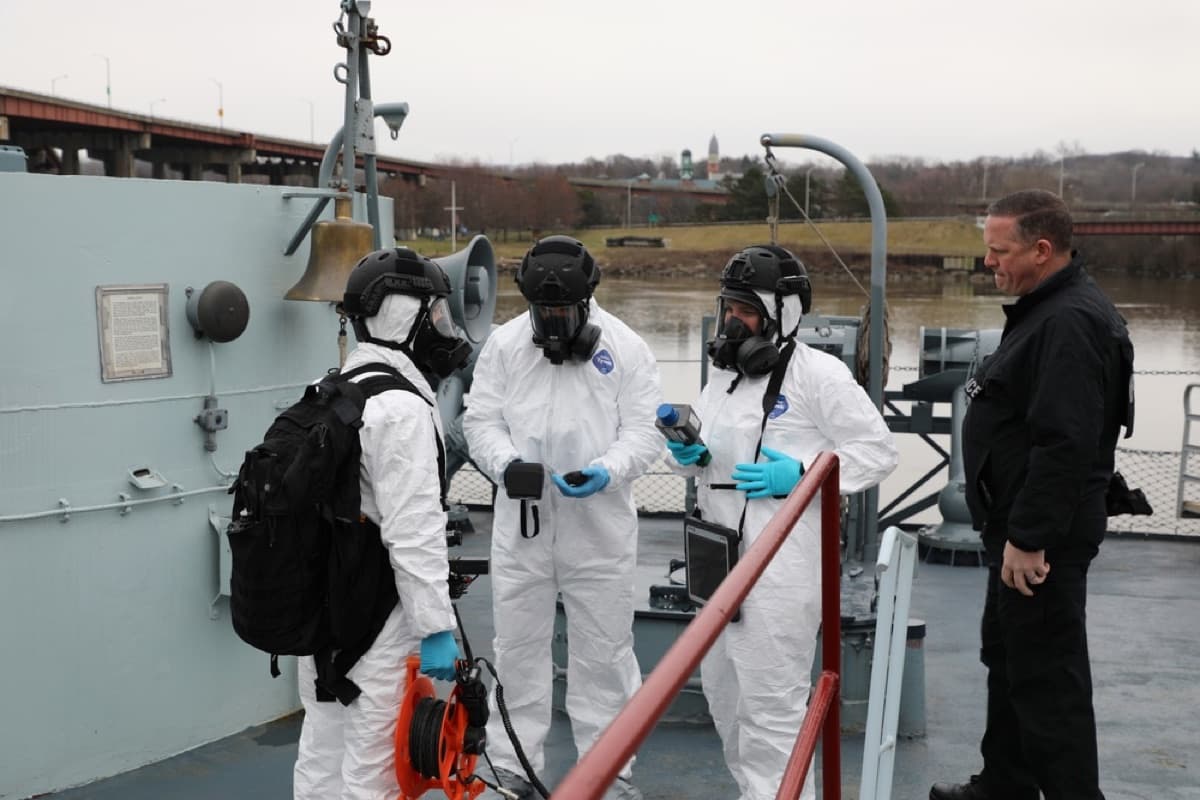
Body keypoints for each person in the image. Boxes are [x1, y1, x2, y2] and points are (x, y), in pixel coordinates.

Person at [665, 244, 898, 800]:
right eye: (728, 306)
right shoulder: (724, 378)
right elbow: (719, 448)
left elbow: (877, 450)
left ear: (783, 312)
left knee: (773, 710)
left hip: (780, 567)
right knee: (725, 699)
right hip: (718, 560)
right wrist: (694, 457)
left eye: (745, 309)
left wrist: (804, 474)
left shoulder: (821, 376)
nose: (731, 320)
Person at [930, 190, 1134, 800]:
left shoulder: (1069, 323)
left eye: (999, 251)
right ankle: (1005, 784)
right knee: (1011, 661)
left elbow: (1065, 445)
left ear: (1041, 250)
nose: (989, 262)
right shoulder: (1050, 310)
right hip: (1015, 531)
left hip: (1039, 542)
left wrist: (1029, 539)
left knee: (1049, 684)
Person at [463, 235, 663, 800]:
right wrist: (507, 465)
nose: (551, 323)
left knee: (603, 655)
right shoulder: (506, 345)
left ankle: (609, 775)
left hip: (598, 532)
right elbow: (480, 421)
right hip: (522, 530)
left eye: (561, 312)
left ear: (586, 302)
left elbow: (645, 433)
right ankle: (513, 768)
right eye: (542, 311)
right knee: (517, 650)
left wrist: (609, 469)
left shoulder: (626, 348)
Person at [293, 247, 470, 800]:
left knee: (320, 755)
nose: (443, 327)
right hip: (377, 620)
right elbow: (412, 531)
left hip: (322, 616)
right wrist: (436, 626)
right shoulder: (402, 409)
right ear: (402, 314)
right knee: (376, 770)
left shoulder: (334, 388)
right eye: (435, 313)